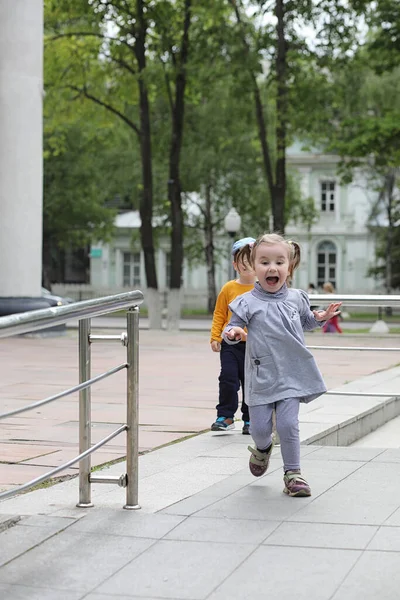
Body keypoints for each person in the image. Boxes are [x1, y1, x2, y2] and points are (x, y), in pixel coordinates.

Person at [222, 233, 341, 496]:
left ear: (290, 267)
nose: (272, 268)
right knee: (260, 428)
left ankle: (293, 474)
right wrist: (230, 334)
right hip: (261, 374)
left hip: (291, 373)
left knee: (288, 424)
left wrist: (319, 317)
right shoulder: (246, 302)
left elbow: (306, 321)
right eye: (264, 262)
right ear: (254, 267)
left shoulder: (297, 298)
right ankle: (263, 448)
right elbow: (232, 326)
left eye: (279, 262)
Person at [210, 236, 256, 435]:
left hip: (254, 345)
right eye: (242, 261)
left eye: (250, 261)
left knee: (251, 382)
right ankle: (226, 416)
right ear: (235, 264)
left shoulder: (262, 289)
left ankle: (250, 419)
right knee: (228, 378)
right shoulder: (229, 288)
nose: (246, 265)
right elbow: (220, 313)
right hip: (230, 343)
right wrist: (215, 337)